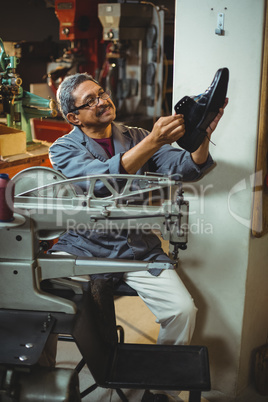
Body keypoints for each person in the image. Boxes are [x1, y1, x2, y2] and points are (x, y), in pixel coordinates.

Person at [48, 72, 227, 399]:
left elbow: (186, 167)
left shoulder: (134, 135)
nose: (102, 101)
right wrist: (153, 141)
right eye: (90, 101)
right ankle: (63, 375)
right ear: (73, 117)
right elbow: (100, 183)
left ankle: (159, 390)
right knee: (55, 308)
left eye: (101, 93)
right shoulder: (63, 149)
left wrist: (201, 135)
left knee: (182, 310)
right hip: (86, 248)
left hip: (135, 248)